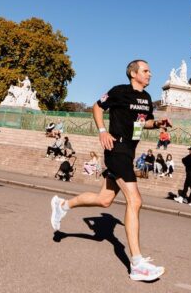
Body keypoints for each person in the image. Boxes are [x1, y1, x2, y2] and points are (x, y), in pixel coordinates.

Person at [49, 59, 170, 281]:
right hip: (116, 149)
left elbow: (145, 122)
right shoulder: (119, 91)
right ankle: (137, 264)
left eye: (150, 70)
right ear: (134, 74)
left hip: (129, 151)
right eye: (146, 70)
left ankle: (62, 204)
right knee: (135, 201)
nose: (150, 74)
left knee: (104, 199)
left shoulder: (146, 98)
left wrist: (159, 123)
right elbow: (97, 107)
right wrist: (103, 131)